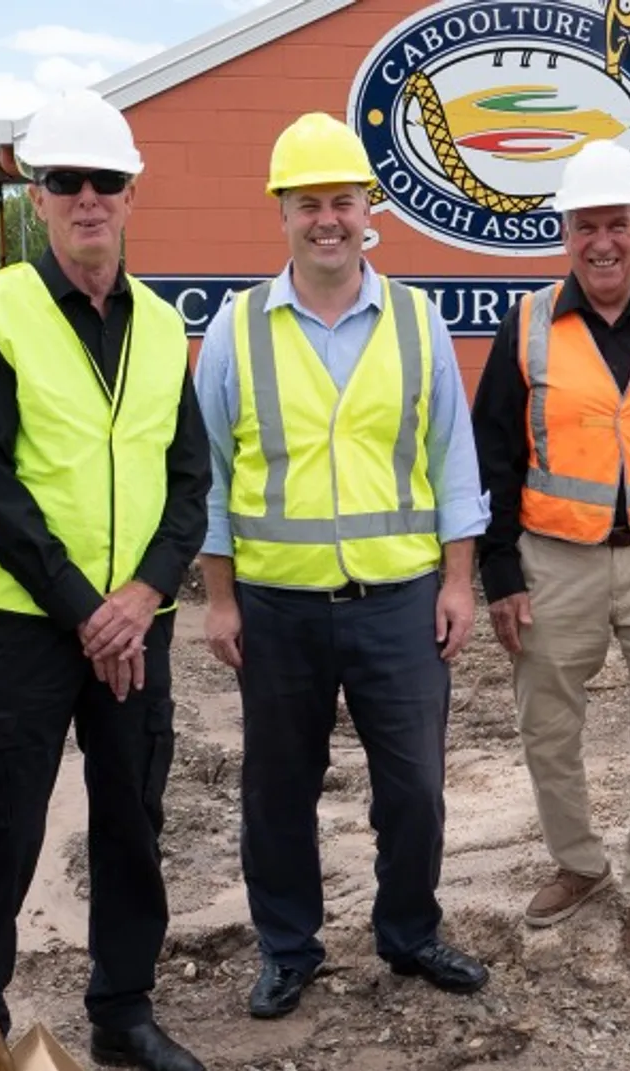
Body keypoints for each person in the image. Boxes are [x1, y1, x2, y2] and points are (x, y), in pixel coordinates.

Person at [0, 91, 212, 1071]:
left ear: (132, 194)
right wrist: (85, 610)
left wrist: (141, 595)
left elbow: (189, 480)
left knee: (132, 820)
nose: (87, 198)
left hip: (137, 625)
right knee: (2, 832)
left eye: (104, 181)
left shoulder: (162, 324)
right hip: (23, 625)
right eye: (65, 181)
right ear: (35, 194)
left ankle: (123, 1009)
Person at [194, 112, 491, 1019]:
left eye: (343, 202)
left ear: (369, 212)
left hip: (397, 600)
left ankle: (409, 933)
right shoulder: (238, 328)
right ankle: (288, 949)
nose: (327, 219)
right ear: (282, 213)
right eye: (308, 203)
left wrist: (457, 582)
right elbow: (208, 477)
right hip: (276, 607)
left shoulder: (417, 321)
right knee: (277, 794)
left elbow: (453, 463)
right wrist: (219, 600)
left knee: (416, 790)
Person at [471, 140, 630, 966]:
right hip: (555, 559)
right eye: (586, 226)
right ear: (566, 234)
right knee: (548, 727)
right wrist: (501, 572)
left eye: (617, 224)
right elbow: (493, 454)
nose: (603, 242)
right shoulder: (529, 326)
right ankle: (580, 864)